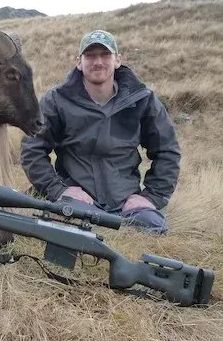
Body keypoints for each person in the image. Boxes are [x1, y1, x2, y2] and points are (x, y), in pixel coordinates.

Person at [20, 29, 181, 234]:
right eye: (90, 56)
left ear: (117, 60)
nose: (98, 62)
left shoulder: (143, 100)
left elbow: (167, 150)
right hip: (77, 202)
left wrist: (150, 197)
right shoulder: (56, 100)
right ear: (79, 62)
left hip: (127, 205)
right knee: (70, 233)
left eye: (105, 55)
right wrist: (59, 190)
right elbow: (32, 149)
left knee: (154, 228)